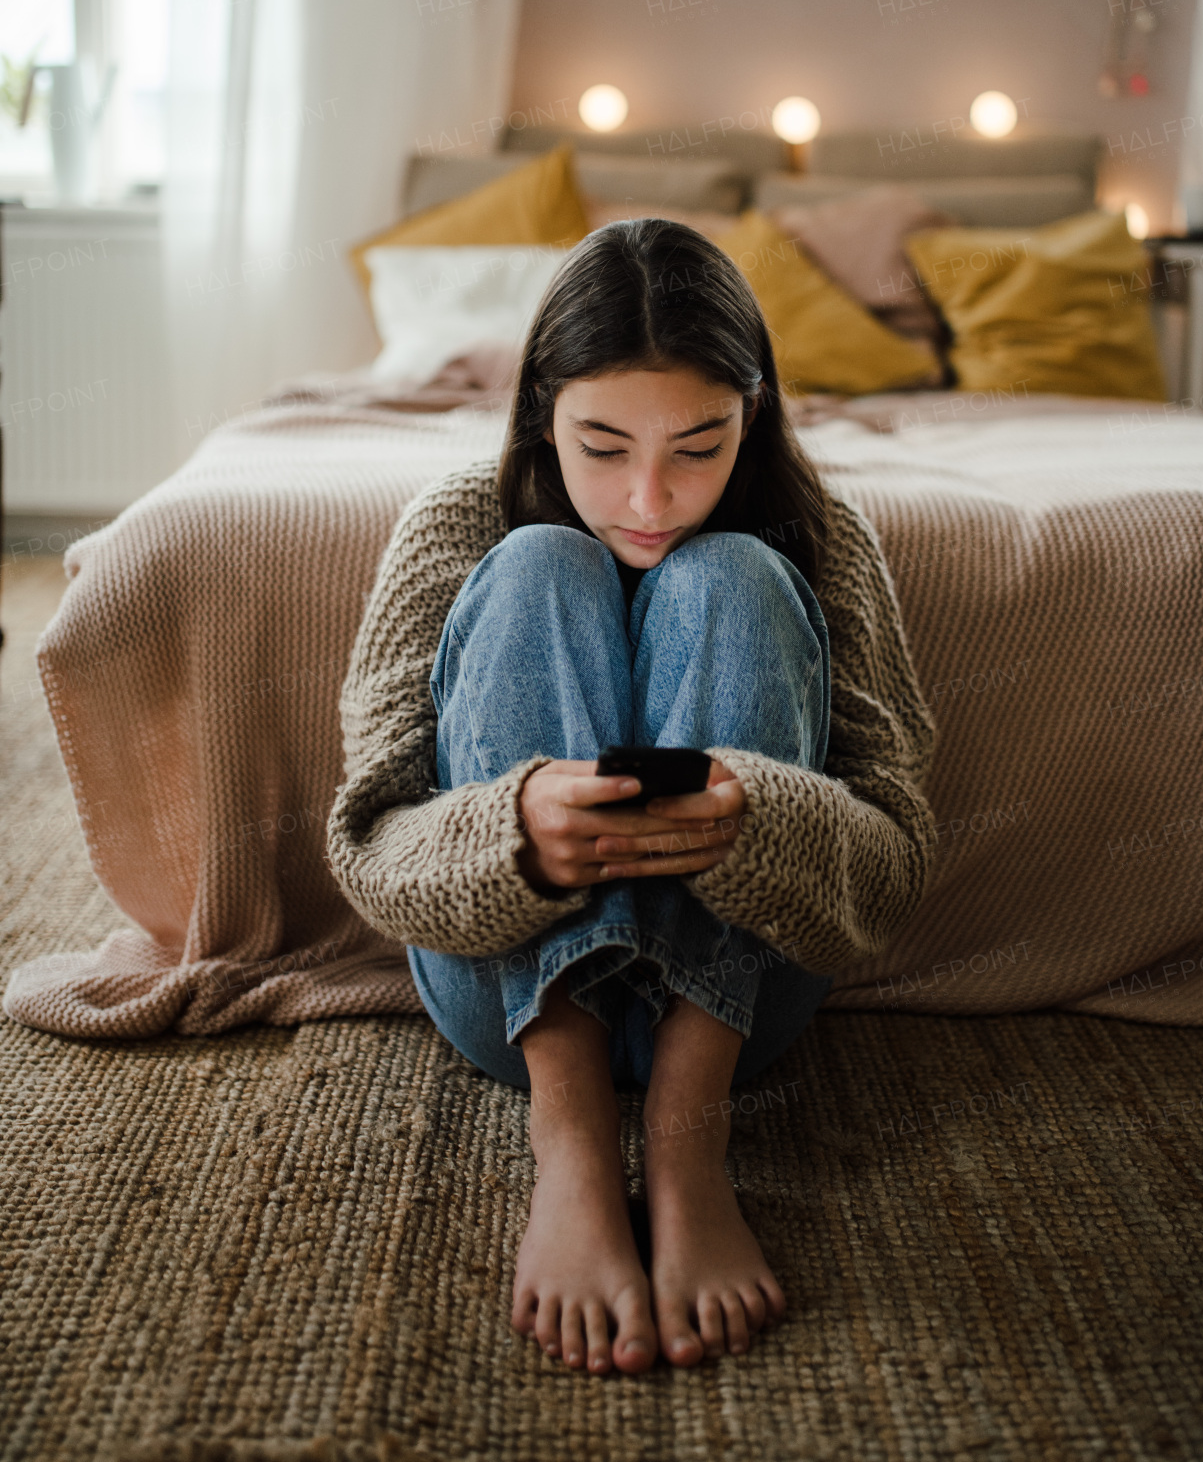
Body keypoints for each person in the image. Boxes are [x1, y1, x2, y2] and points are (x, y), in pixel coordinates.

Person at [328, 218, 936, 1378]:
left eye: (696, 447)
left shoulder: (820, 535)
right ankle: (571, 1149)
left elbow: (894, 863)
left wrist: (757, 817)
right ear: (538, 416)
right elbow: (368, 846)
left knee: (735, 571)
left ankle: (684, 1143)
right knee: (538, 563)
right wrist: (514, 836)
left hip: (742, 1005)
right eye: (599, 446)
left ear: (749, 418)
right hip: (507, 1003)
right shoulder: (455, 520)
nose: (647, 498)